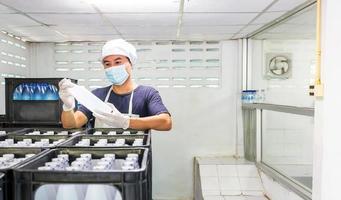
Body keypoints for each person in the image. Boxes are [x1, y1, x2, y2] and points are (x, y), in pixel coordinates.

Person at [59, 39, 172, 131]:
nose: (112, 67)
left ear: (131, 64)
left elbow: (166, 122)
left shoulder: (147, 93)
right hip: (100, 156)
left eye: (118, 62)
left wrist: (126, 122)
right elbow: (71, 124)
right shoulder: (98, 95)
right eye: (107, 64)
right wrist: (68, 107)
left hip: (136, 156)